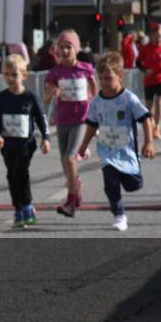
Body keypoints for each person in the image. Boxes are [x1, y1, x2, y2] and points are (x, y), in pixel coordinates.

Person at [77, 52, 155, 231]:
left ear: (120, 76)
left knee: (133, 185)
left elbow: (145, 118)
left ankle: (129, 177)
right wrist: (83, 145)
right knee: (110, 182)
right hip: (106, 151)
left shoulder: (129, 98)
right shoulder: (96, 101)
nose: (104, 82)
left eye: (109, 78)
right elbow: (91, 124)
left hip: (126, 151)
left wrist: (148, 142)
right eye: (101, 78)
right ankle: (119, 214)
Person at [43, 29, 97, 218]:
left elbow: (95, 92)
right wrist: (54, 93)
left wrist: (96, 113)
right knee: (65, 162)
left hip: (81, 120)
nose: (65, 51)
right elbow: (46, 98)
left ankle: (71, 200)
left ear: (77, 49)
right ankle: (77, 186)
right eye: (61, 47)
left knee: (69, 158)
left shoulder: (86, 69)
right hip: (63, 119)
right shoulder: (55, 72)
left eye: (69, 47)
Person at [0, 55, 50, 228]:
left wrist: (45, 138)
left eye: (14, 75)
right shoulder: (1, 98)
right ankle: (18, 210)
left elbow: (41, 119)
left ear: (23, 75)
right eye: (7, 74)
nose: (10, 78)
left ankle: (28, 206)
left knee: (20, 172)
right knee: (11, 175)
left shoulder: (30, 97)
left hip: (26, 144)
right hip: (8, 144)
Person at [138, 23, 161, 140]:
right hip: (149, 80)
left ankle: (157, 127)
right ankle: (151, 123)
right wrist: (145, 70)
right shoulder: (145, 48)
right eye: (157, 36)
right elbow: (138, 62)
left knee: (159, 102)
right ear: (152, 36)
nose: (159, 38)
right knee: (149, 106)